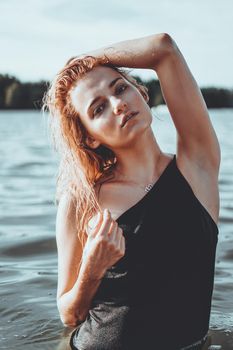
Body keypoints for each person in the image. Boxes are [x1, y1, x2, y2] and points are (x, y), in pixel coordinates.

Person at [44, 33, 221, 350]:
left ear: (141, 91)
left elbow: (164, 48)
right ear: (91, 138)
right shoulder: (84, 198)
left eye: (121, 87)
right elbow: (69, 314)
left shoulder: (198, 167)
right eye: (98, 109)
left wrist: (83, 60)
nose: (118, 104)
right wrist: (91, 269)